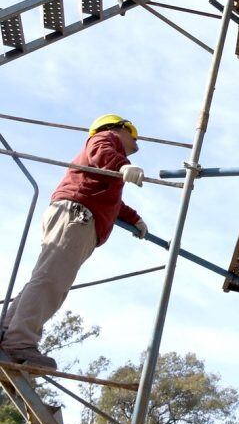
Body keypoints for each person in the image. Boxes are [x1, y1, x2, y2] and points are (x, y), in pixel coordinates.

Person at [0, 115, 148, 371]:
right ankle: (19, 341)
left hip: (77, 215)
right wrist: (123, 166)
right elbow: (100, 150)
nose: (136, 142)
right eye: (132, 134)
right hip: (78, 215)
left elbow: (113, 204)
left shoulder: (104, 172)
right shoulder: (105, 139)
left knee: (47, 277)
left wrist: (135, 219)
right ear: (118, 128)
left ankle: (7, 332)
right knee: (52, 280)